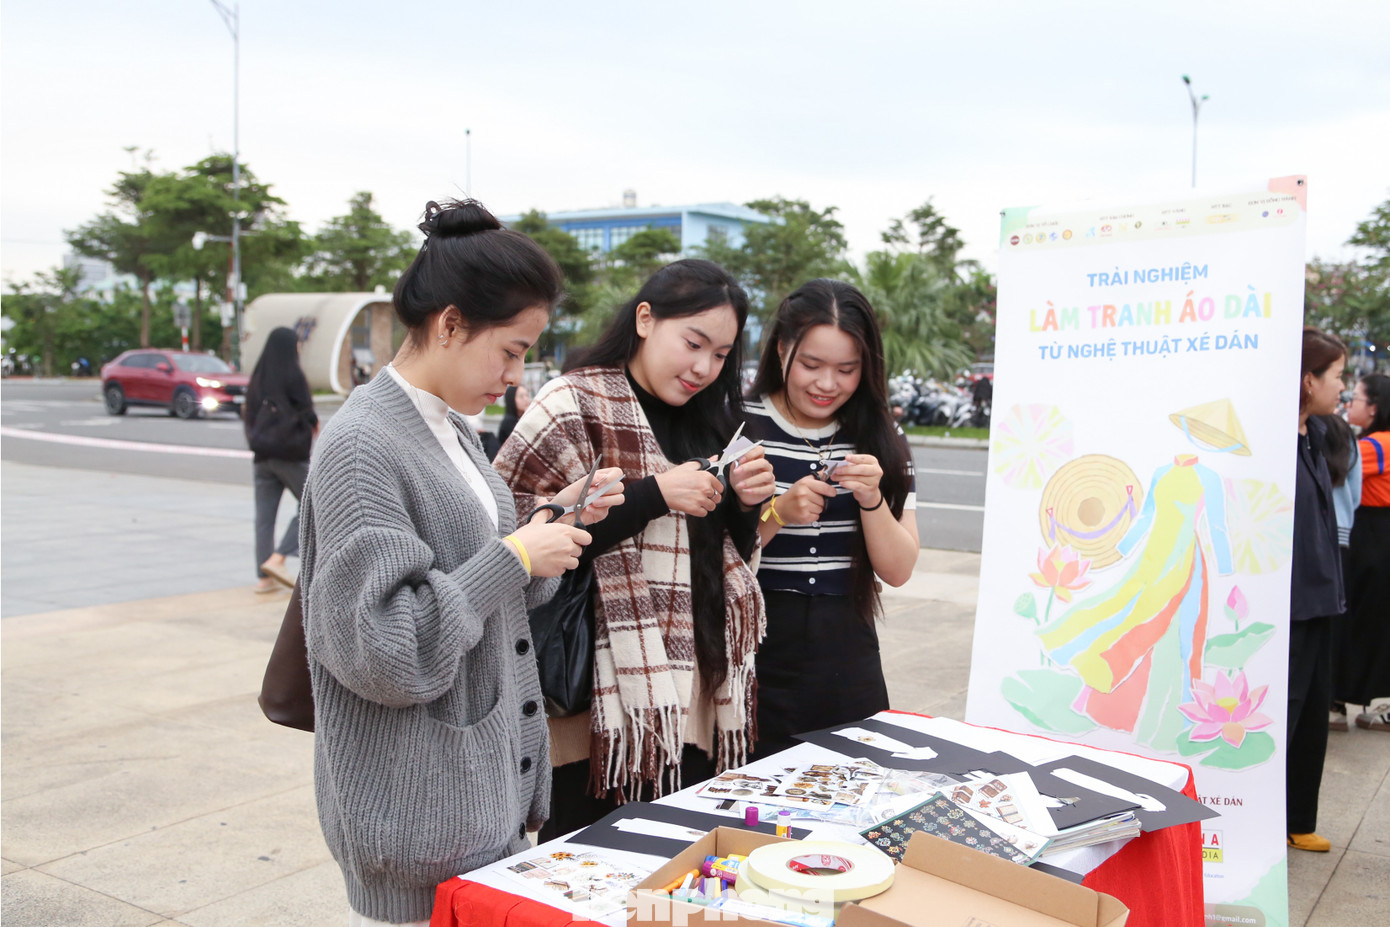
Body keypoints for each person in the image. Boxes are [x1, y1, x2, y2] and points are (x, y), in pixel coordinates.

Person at [297, 199, 623, 926]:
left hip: (478, 808)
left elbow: (491, 596)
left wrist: (549, 529)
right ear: (449, 324)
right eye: (510, 350)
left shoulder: (451, 428)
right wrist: (513, 554)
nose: (515, 375)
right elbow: (384, 649)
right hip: (419, 823)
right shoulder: (363, 445)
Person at [493, 259, 774, 839]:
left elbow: (720, 556)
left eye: (721, 354)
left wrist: (744, 507)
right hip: (602, 697)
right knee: (591, 856)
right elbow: (519, 527)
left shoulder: (717, 419)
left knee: (677, 866)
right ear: (646, 319)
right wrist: (655, 494)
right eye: (693, 343)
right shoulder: (573, 402)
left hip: (696, 690)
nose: (703, 367)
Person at [742, 279, 920, 758]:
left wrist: (871, 499)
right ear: (781, 350)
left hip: (848, 647)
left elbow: (899, 570)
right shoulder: (737, 424)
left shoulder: (882, 435)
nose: (826, 384)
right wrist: (778, 512)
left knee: (853, 791)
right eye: (811, 365)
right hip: (755, 642)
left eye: (846, 369)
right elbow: (707, 554)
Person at [1286, 326, 1347, 853]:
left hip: (1322, 596)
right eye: (1336, 376)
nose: (1342, 388)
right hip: (1287, 604)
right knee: (1284, 711)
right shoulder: (1270, 442)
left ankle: (1298, 818)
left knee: (1311, 719)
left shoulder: (1318, 434)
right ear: (1308, 380)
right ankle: (1269, 816)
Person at [244, 326, 318, 592]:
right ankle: (278, 558)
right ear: (289, 347)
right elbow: (307, 411)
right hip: (290, 455)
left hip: (262, 455)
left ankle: (263, 579)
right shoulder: (292, 374)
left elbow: (249, 414)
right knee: (314, 502)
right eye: (297, 344)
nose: (299, 349)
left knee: (264, 518)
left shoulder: (257, 377)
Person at [1337, 373, 1390, 732]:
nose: (1348, 402)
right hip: (1378, 536)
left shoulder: (1374, 446)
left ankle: (1337, 699)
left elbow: (1337, 473)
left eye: (1354, 397)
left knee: (1357, 619)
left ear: (1373, 407)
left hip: (1372, 538)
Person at [1321, 412, 1361, 732]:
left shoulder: (1305, 431)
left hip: (1306, 538)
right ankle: (1329, 703)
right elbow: (1356, 495)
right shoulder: (1345, 434)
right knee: (1332, 625)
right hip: (1342, 540)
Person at [496, 382, 531, 447]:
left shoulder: (518, 419)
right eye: (521, 396)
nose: (526, 399)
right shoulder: (509, 422)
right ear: (511, 399)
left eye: (527, 395)